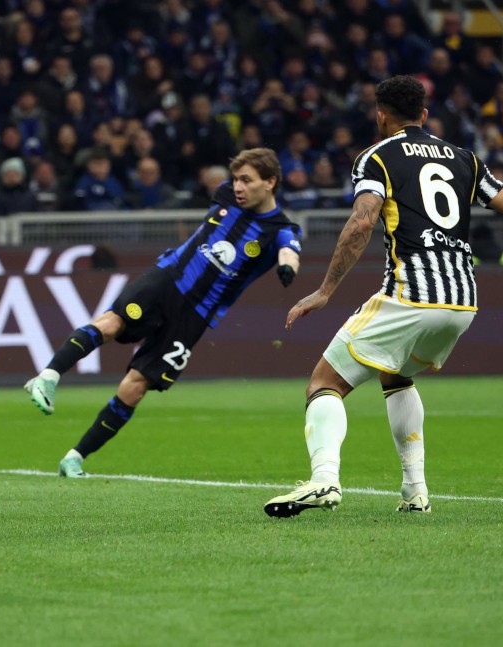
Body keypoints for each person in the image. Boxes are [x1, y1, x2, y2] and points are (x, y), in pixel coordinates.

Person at [265, 76, 503, 518]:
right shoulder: (465, 159)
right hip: (462, 301)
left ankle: (324, 479)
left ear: (381, 116)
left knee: (324, 383)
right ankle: (415, 492)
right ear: (424, 115)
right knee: (395, 376)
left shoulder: (377, 157)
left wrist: (325, 290)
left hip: (412, 294)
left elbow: (362, 221)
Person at [24, 148, 302, 478]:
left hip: (196, 315)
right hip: (167, 279)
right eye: (236, 179)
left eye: (247, 180)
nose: (238, 186)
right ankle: (48, 377)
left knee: (136, 385)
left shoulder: (280, 229)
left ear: (270, 182)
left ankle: (74, 458)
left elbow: (289, 250)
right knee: (112, 323)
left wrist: (287, 267)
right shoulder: (225, 195)